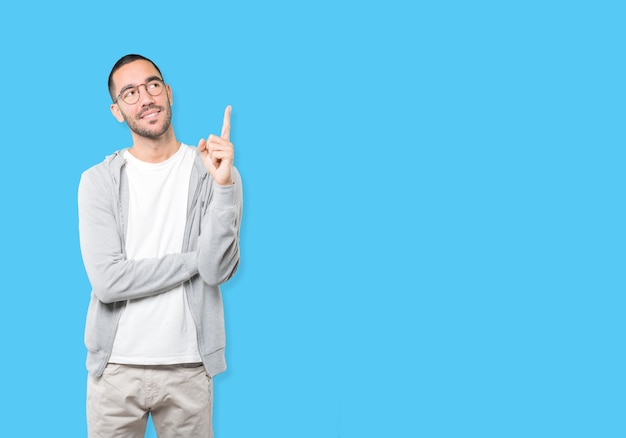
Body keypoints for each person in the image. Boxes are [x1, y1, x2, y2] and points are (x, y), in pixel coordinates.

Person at [78, 54, 243, 437]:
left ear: (168, 93)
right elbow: (108, 282)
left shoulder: (216, 172)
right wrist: (193, 260)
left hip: (188, 366)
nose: (145, 98)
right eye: (130, 93)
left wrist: (223, 186)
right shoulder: (98, 181)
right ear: (117, 111)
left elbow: (217, 270)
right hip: (116, 371)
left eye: (152, 85)